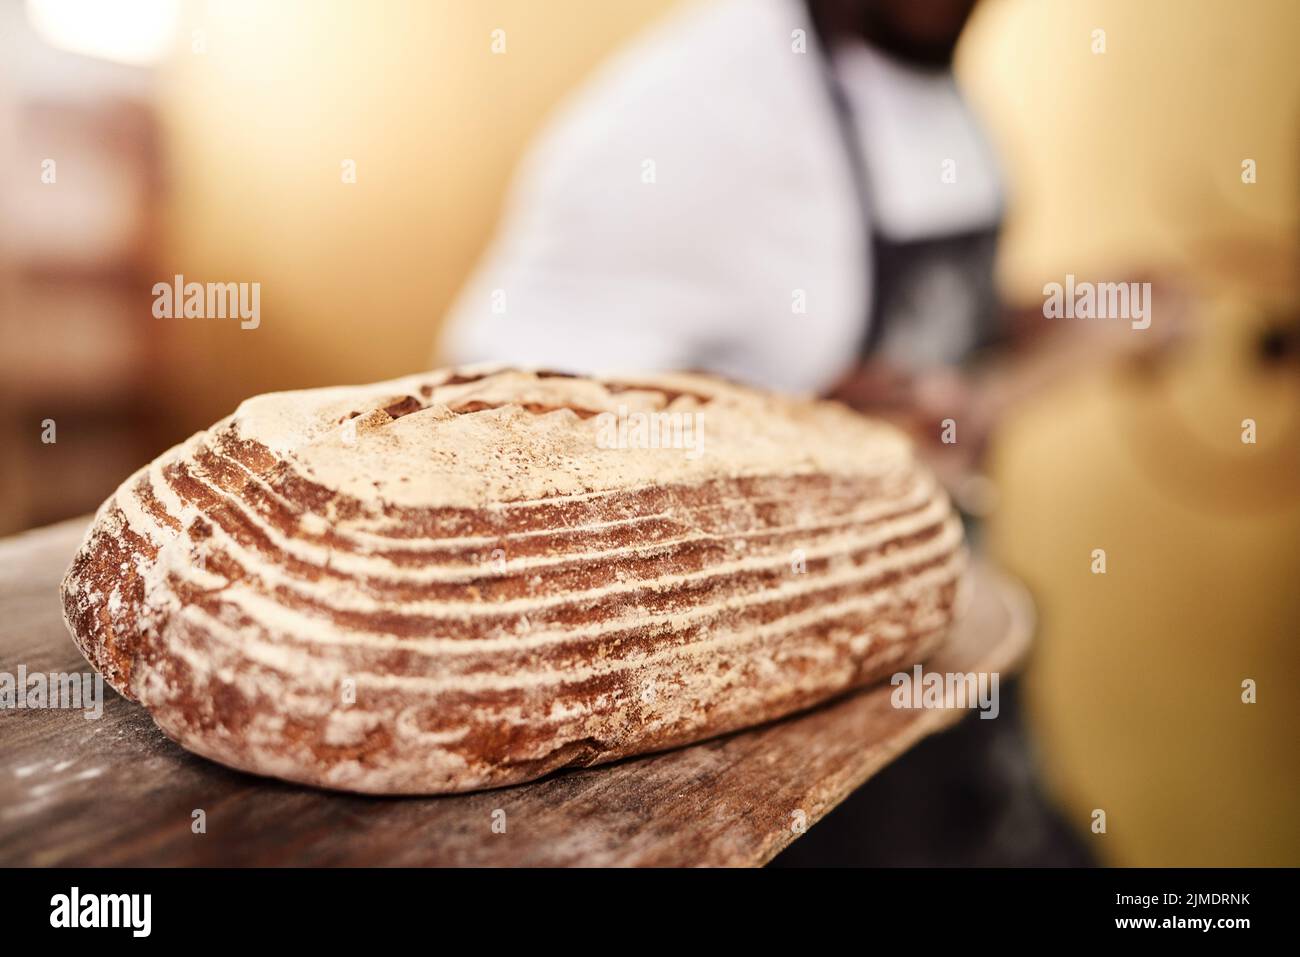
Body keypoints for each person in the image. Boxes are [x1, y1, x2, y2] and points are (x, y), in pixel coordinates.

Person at [440, 0, 1110, 865]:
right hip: (791, 768)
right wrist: (802, 444)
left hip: (957, 685)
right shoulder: (669, 126)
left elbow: (926, 328)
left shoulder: (932, 73)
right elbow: (489, 447)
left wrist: (1086, 314)